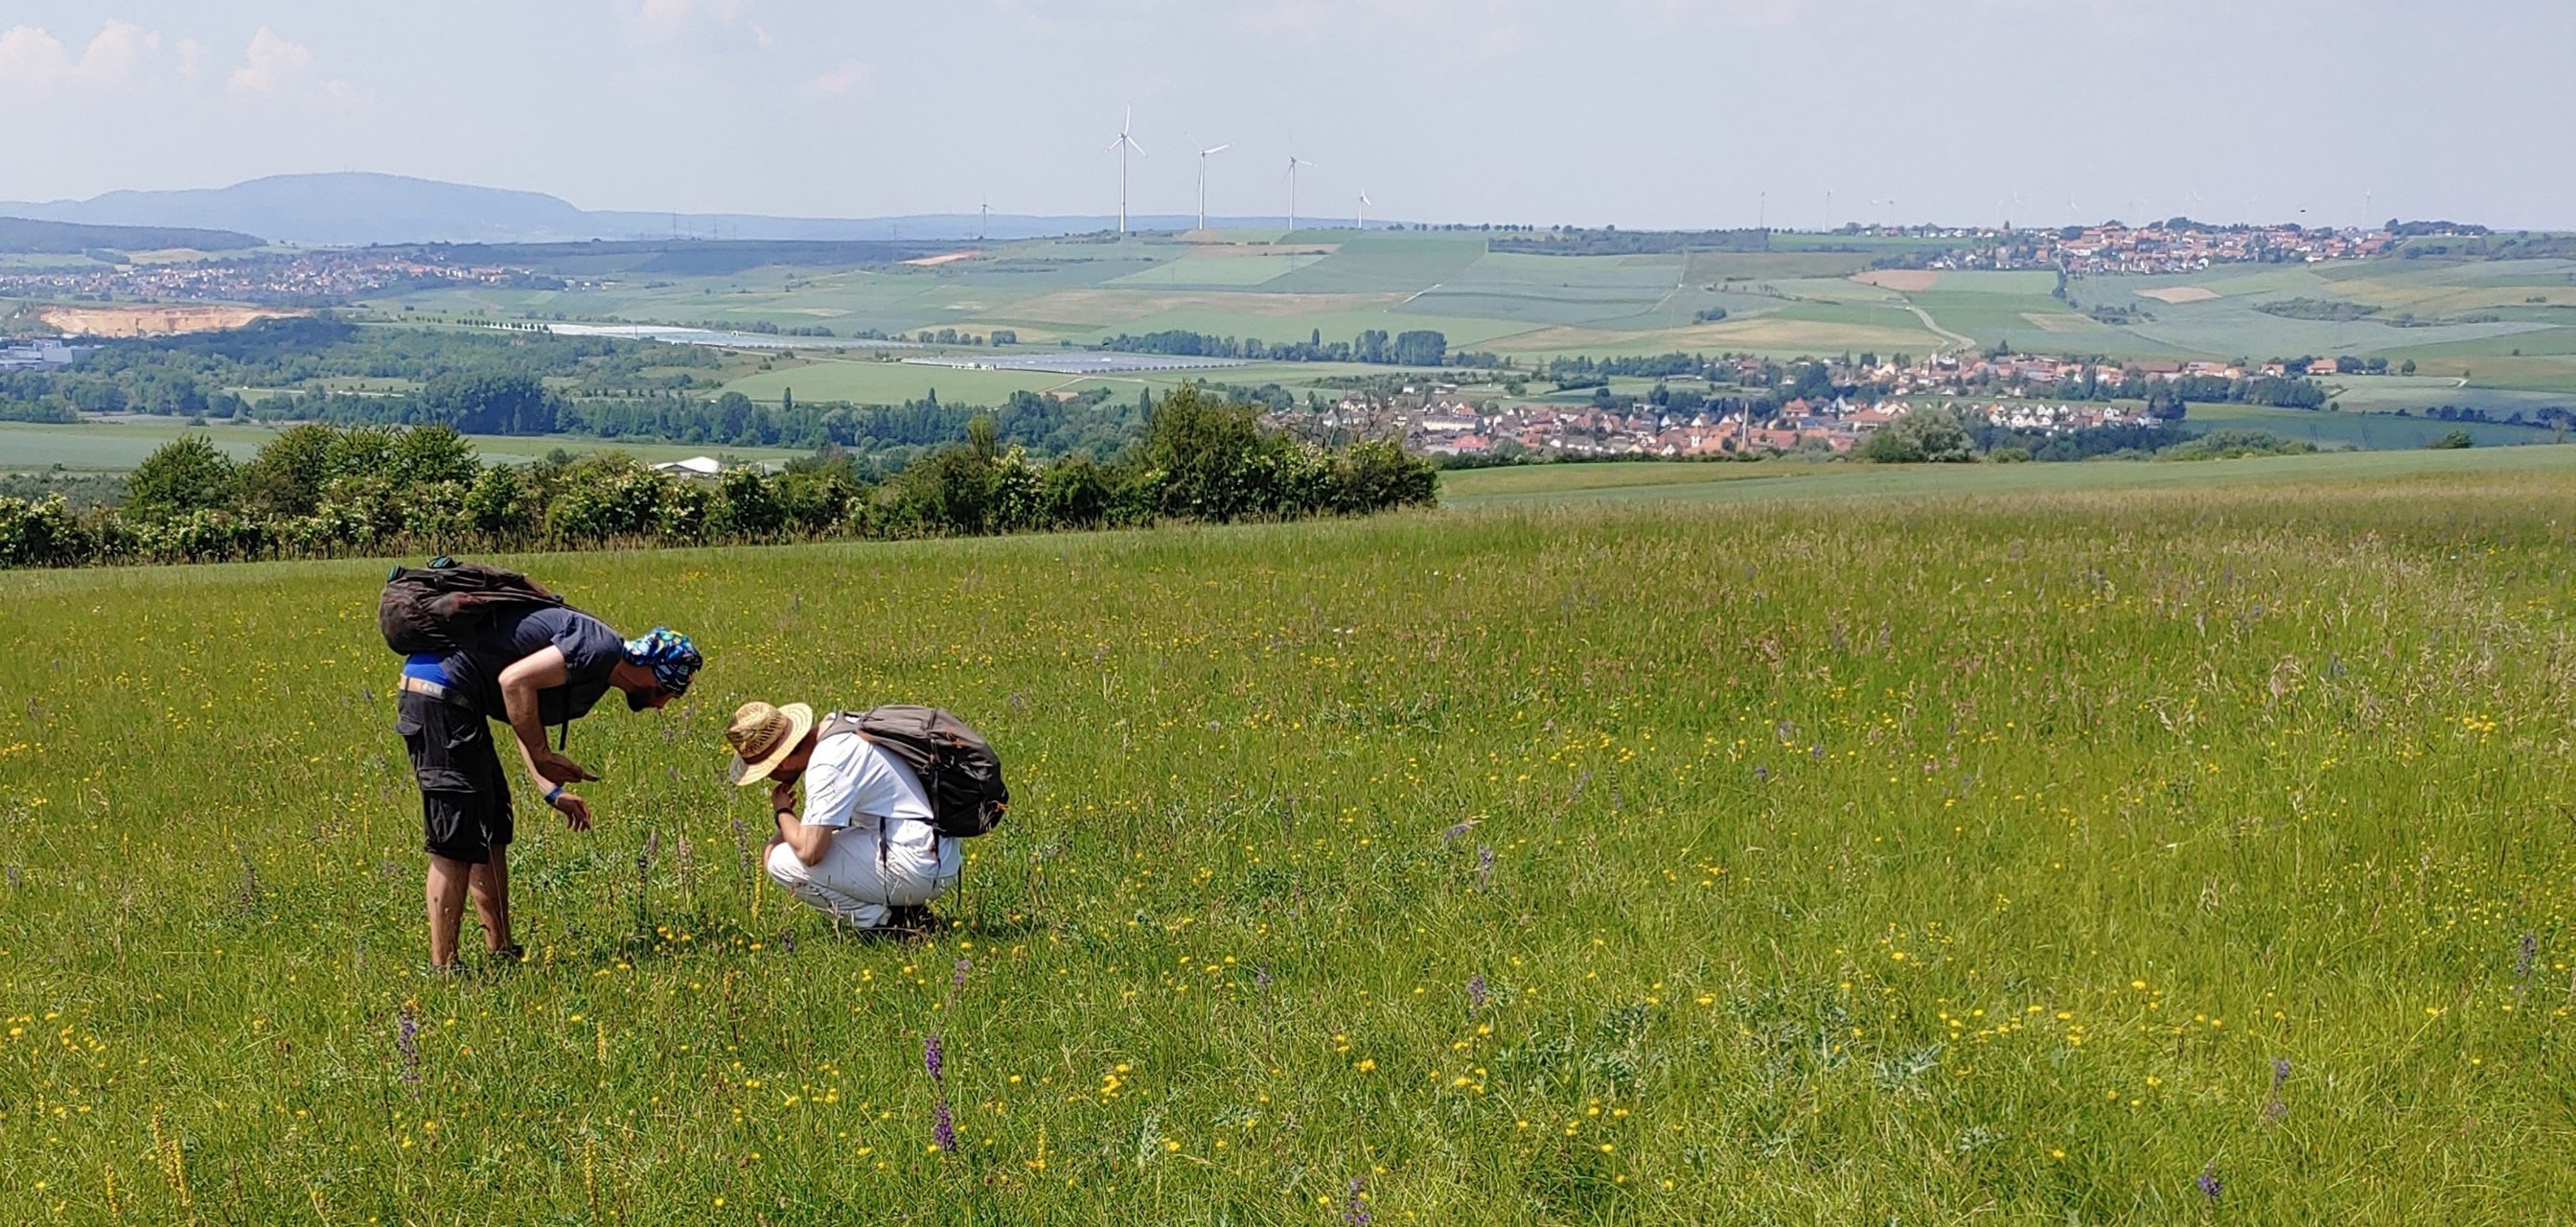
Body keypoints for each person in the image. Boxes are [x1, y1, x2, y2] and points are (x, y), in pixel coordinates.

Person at [396, 614, 702, 972]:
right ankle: (444, 970)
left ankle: (502, 953)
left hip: (461, 698)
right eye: (669, 691)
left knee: (492, 825)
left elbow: (523, 713)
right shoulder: (599, 650)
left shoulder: (598, 669)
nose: (663, 704)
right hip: (438, 691)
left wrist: (551, 790)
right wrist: (543, 756)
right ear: (652, 672)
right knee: (456, 837)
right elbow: (512, 682)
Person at [724, 700, 957, 934]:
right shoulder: (842, 726)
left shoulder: (827, 763)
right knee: (792, 848)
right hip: (935, 851)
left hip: (918, 865)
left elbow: (810, 851)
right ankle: (906, 913)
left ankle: (892, 924)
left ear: (781, 764)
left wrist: (782, 812)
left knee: (779, 861)